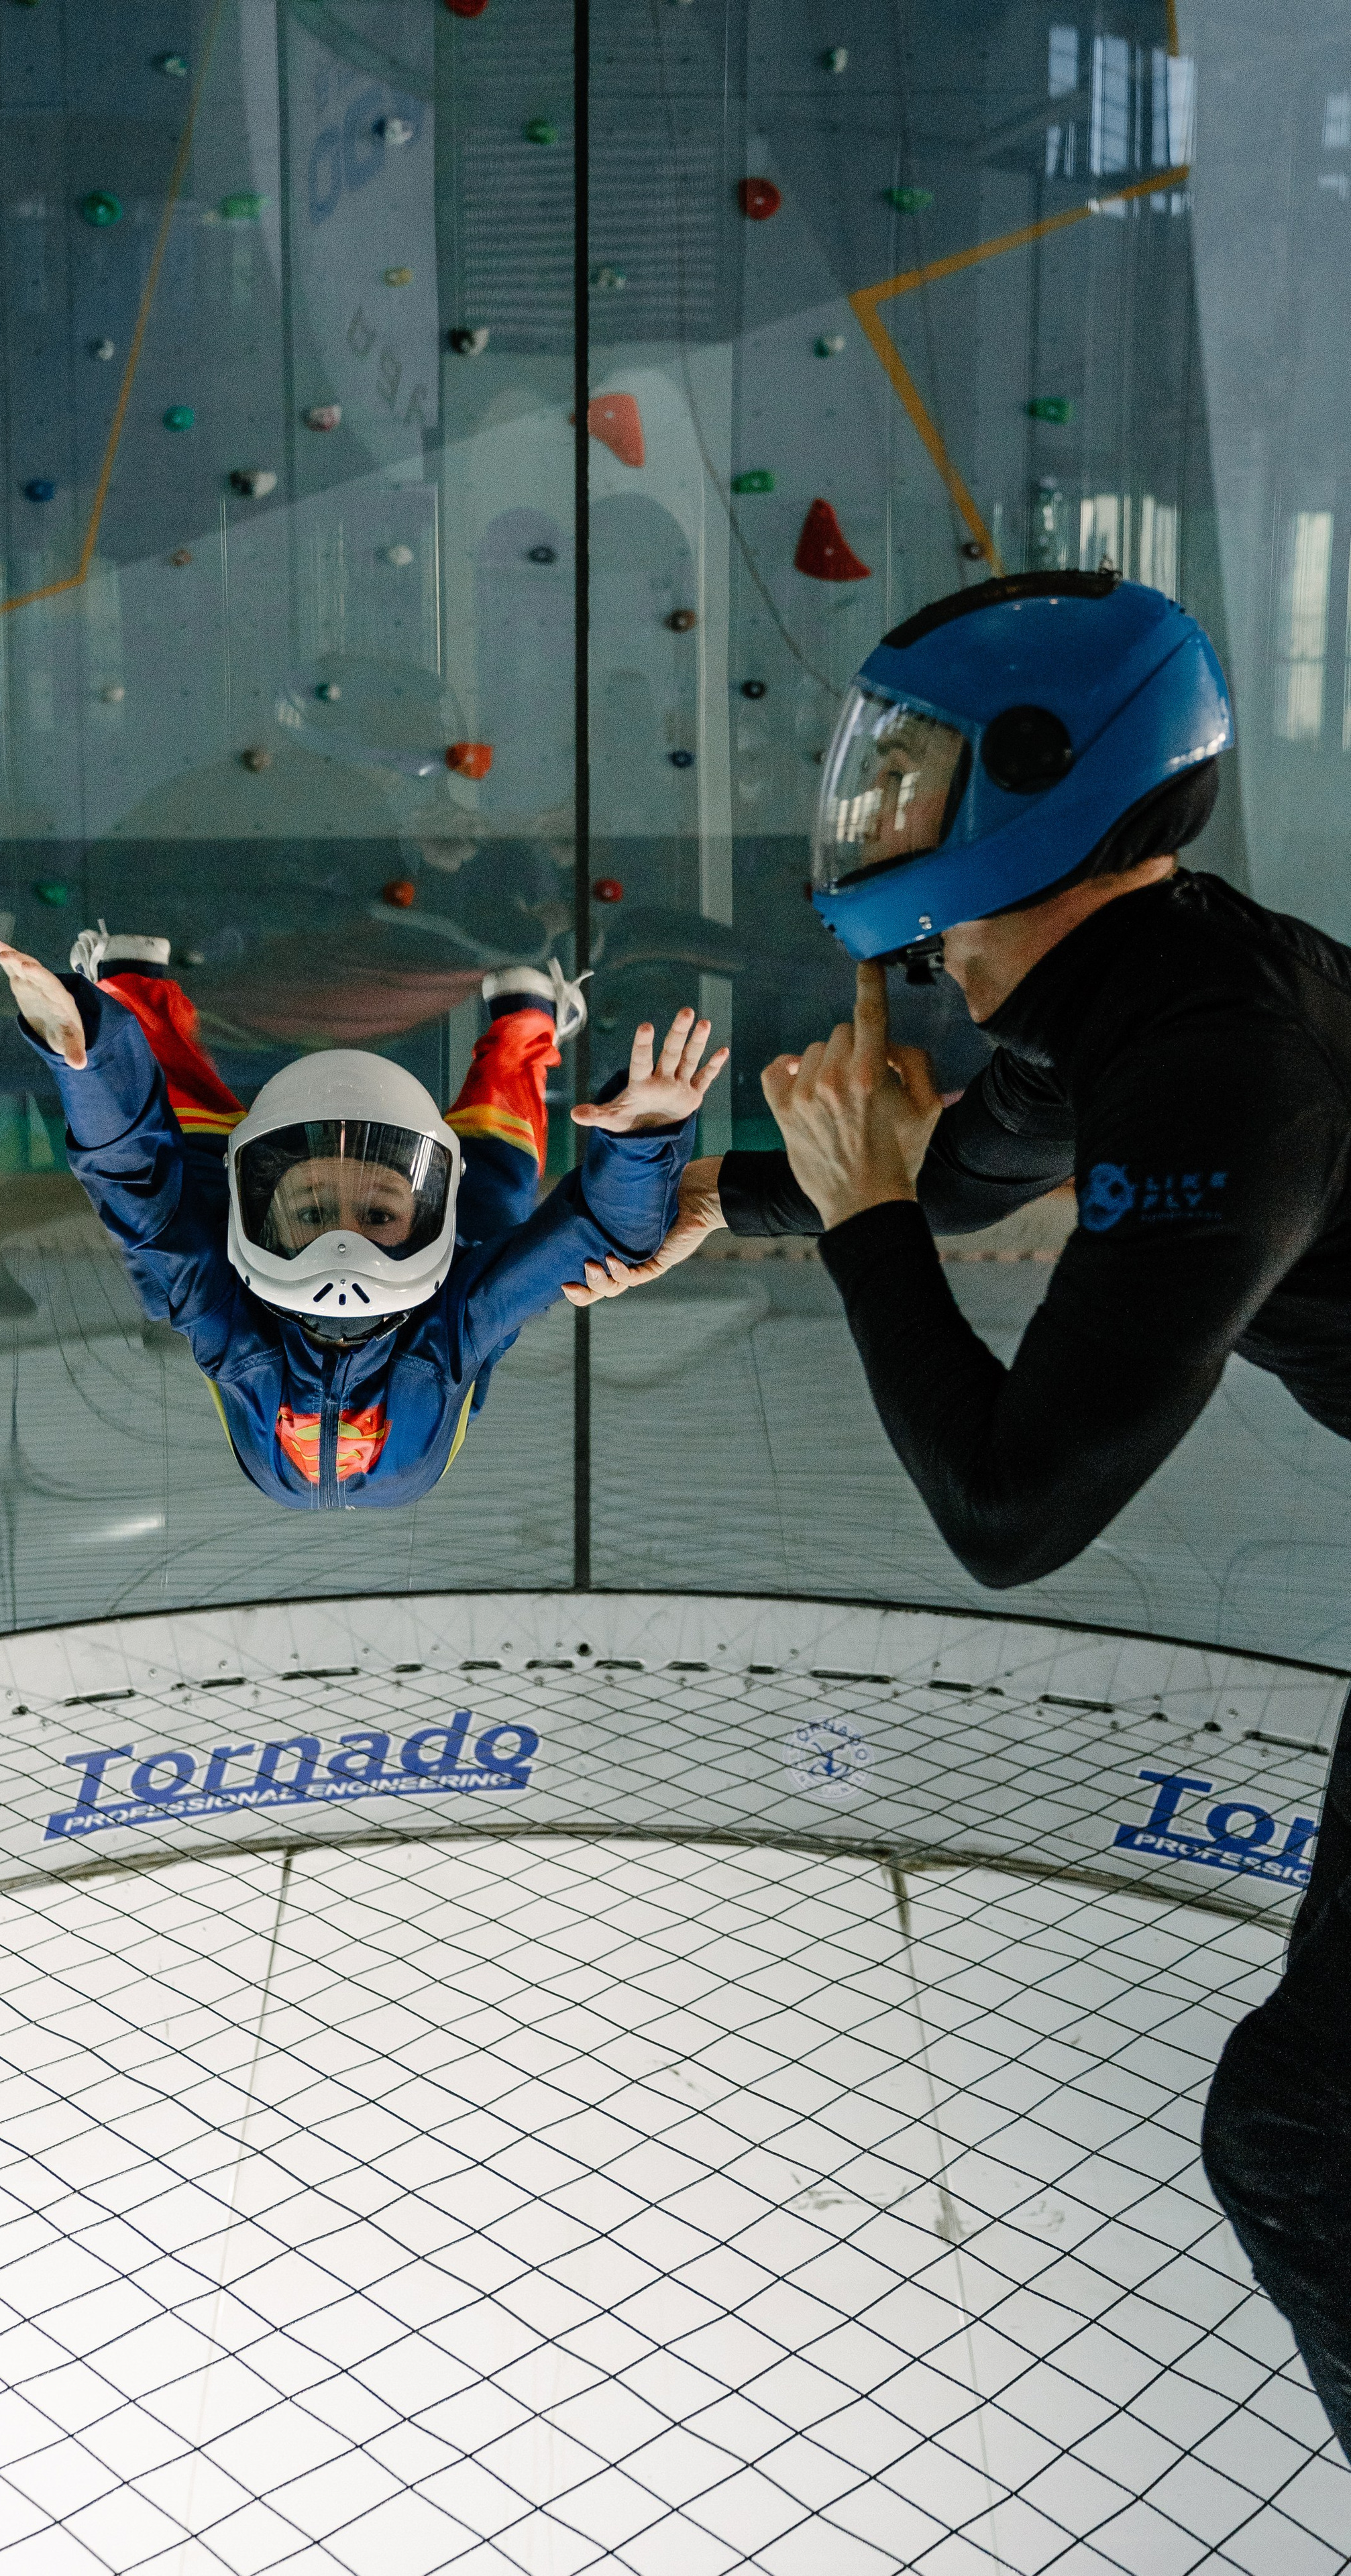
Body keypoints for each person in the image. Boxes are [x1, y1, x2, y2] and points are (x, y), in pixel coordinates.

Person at [567, 567, 1351, 2458]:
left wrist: (858, 1224)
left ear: (1041, 782)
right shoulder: (1145, 987)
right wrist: (725, 1209)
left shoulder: (1217, 1061)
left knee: (1305, 2136)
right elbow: (967, 1154)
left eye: (905, 771)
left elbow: (1015, 1511)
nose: (864, 806)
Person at [0, 924, 725, 1509]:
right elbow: (604, 1240)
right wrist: (643, 1139)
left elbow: (130, 1181)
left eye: (315, 1208)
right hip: (409, 1438)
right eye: (378, 1210)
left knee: (196, 1179)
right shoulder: (450, 1340)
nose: (347, 1234)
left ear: (268, 1219)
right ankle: (524, 1023)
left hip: (287, 1453)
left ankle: (132, 996)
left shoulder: (222, 1321)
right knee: (495, 1184)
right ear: (423, 1207)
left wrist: (84, 1052)